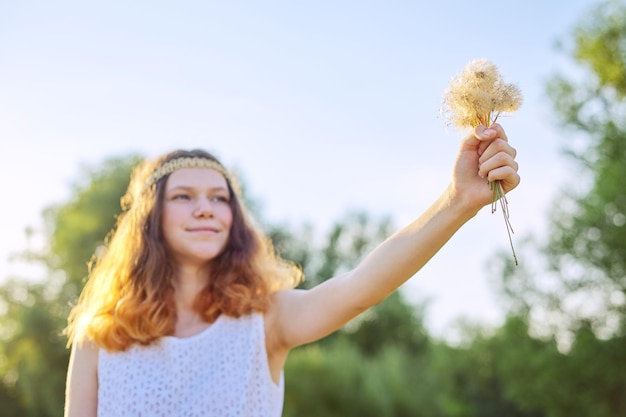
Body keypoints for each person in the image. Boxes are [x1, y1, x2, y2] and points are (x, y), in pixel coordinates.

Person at [63, 123, 520, 417]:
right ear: (150, 218)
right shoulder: (100, 336)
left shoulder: (265, 321)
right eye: (183, 196)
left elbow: (360, 288)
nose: (205, 209)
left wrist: (458, 202)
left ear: (234, 220)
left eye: (219, 198)